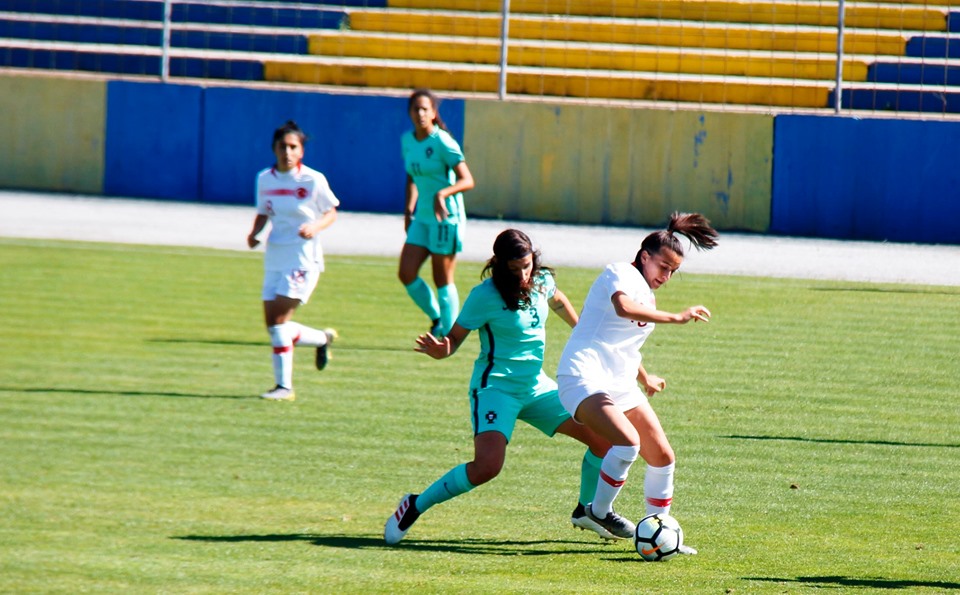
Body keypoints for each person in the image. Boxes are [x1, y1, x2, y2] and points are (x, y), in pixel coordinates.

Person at [385, 229, 614, 545]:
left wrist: (581, 329)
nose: (523, 274)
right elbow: (453, 339)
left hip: (536, 387)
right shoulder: (485, 296)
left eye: (527, 265)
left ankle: (585, 511)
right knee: (487, 467)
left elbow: (557, 300)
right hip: (496, 390)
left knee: (603, 440)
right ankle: (415, 504)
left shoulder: (542, 280)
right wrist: (441, 350)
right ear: (500, 264)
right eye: (515, 268)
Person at [555, 212, 719, 552]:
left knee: (662, 456)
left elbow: (624, 343)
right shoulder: (620, 273)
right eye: (663, 266)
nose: (667, 275)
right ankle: (596, 512)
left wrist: (645, 378)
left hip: (620, 384)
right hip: (582, 376)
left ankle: (661, 535)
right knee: (628, 442)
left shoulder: (647, 290)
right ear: (645, 256)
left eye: (673, 271)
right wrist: (676, 317)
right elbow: (623, 308)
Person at [246, 120, 340, 401]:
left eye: (293, 147)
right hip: (275, 256)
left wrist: (316, 227)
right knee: (275, 327)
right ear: (273, 149)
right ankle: (322, 339)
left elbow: (331, 212)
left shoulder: (312, 179)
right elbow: (264, 212)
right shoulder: (265, 179)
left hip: (303, 259)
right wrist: (254, 233)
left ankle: (284, 387)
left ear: (301, 151)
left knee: (278, 322)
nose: (287, 151)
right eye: (282, 146)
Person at [398, 88, 475, 338]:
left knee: (442, 277)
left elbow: (467, 180)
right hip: (422, 217)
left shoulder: (443, 142)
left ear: (433, 113)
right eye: (415, 109)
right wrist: (409, 209)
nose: (420, 113)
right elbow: (411, 175)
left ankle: (450, 335)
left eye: (425, 109)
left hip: (446, 217)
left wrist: (443, 194)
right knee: (406, 273)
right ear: (409, 112)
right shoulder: (407, 141)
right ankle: (437, 318)